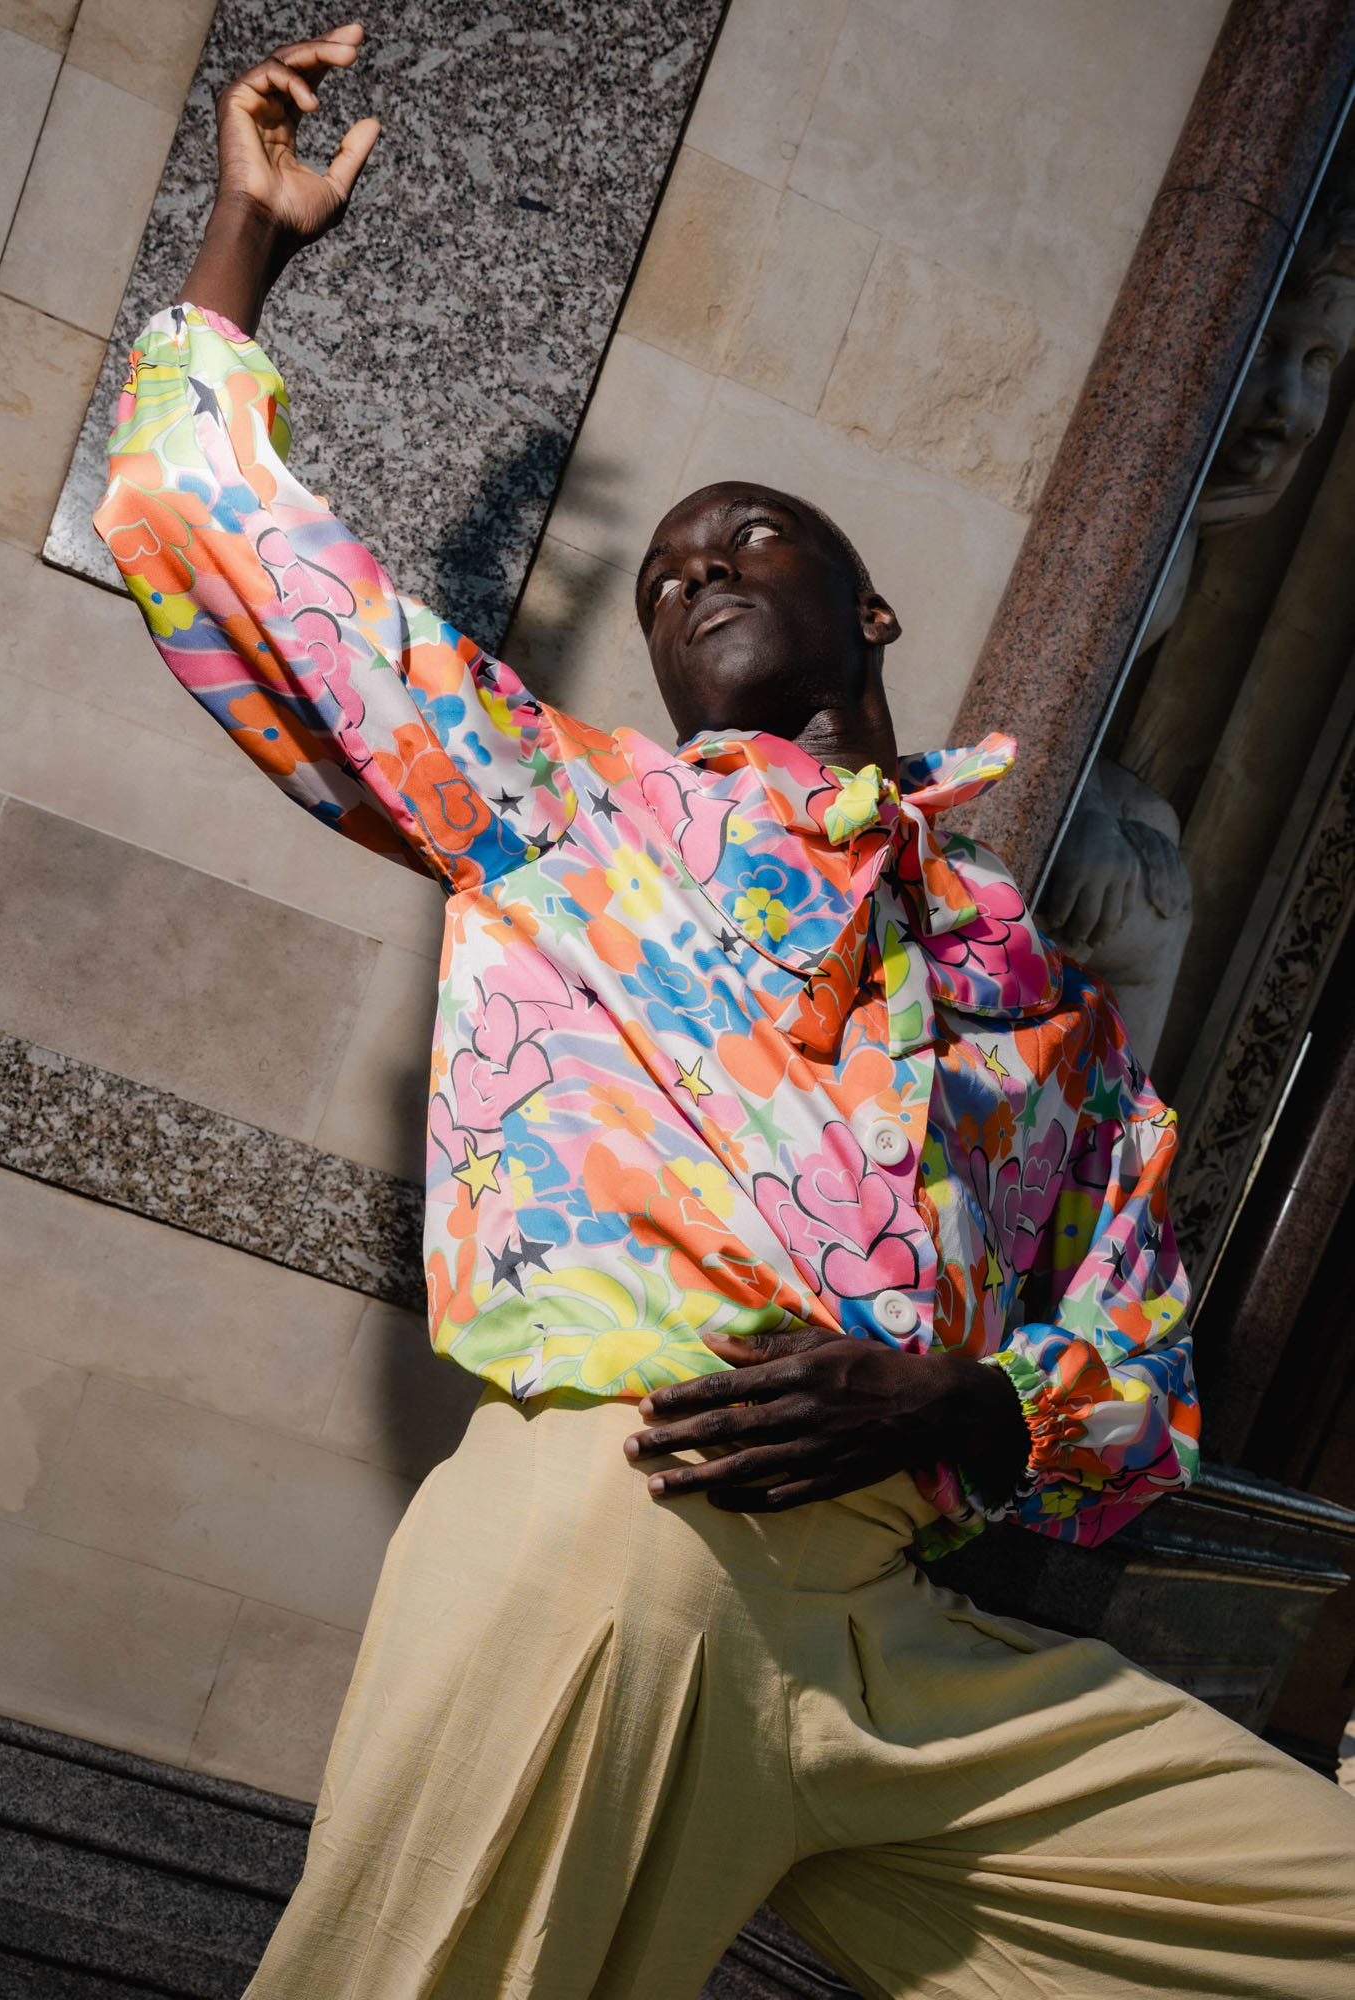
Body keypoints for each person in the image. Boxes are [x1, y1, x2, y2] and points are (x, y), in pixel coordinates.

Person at [95, 25, 1355, 1999]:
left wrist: (985, 1397)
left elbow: (1136, 1393)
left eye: (750, 537)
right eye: (671, 569)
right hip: (621, 1540)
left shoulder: (1040, 1006)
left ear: (870, 613)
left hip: (915, 1655)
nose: (695, 570)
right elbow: (216, 535)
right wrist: (242, 252)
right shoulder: (564, 808)